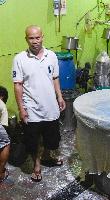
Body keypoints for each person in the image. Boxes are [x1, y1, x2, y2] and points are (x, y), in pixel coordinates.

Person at [12, 25, 66, 182]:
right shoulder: (20, 59)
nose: (35, 41)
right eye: (31, 38)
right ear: (26, 39)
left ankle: (48, 156)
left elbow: (55, 78)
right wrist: (21, 108)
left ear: (42, 37)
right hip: (32, 108)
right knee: (33, 141)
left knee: (52, 139)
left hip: (50, 106)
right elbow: (18, 85)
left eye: (37, 37)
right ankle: (37, 164)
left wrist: (60, 97)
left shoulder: (52, 56)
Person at [0, 86, 10, 183]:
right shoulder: (1, 103)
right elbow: (3, 125)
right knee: (5, 143)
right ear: (2, 96)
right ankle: (1, 173)